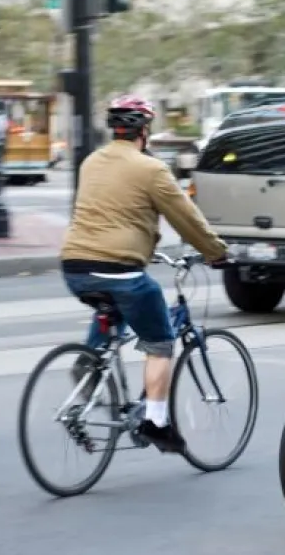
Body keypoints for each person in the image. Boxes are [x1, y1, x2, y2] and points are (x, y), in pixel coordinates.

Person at [59, 95, 230, 454]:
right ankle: (156, 422)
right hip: (119, 268)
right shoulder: (150, 169)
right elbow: (186, 218)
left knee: (115, 308)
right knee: (160, 341)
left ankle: (90, 364)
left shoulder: (91, 162)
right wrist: (217, 253)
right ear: (145, 131)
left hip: (74, 266)